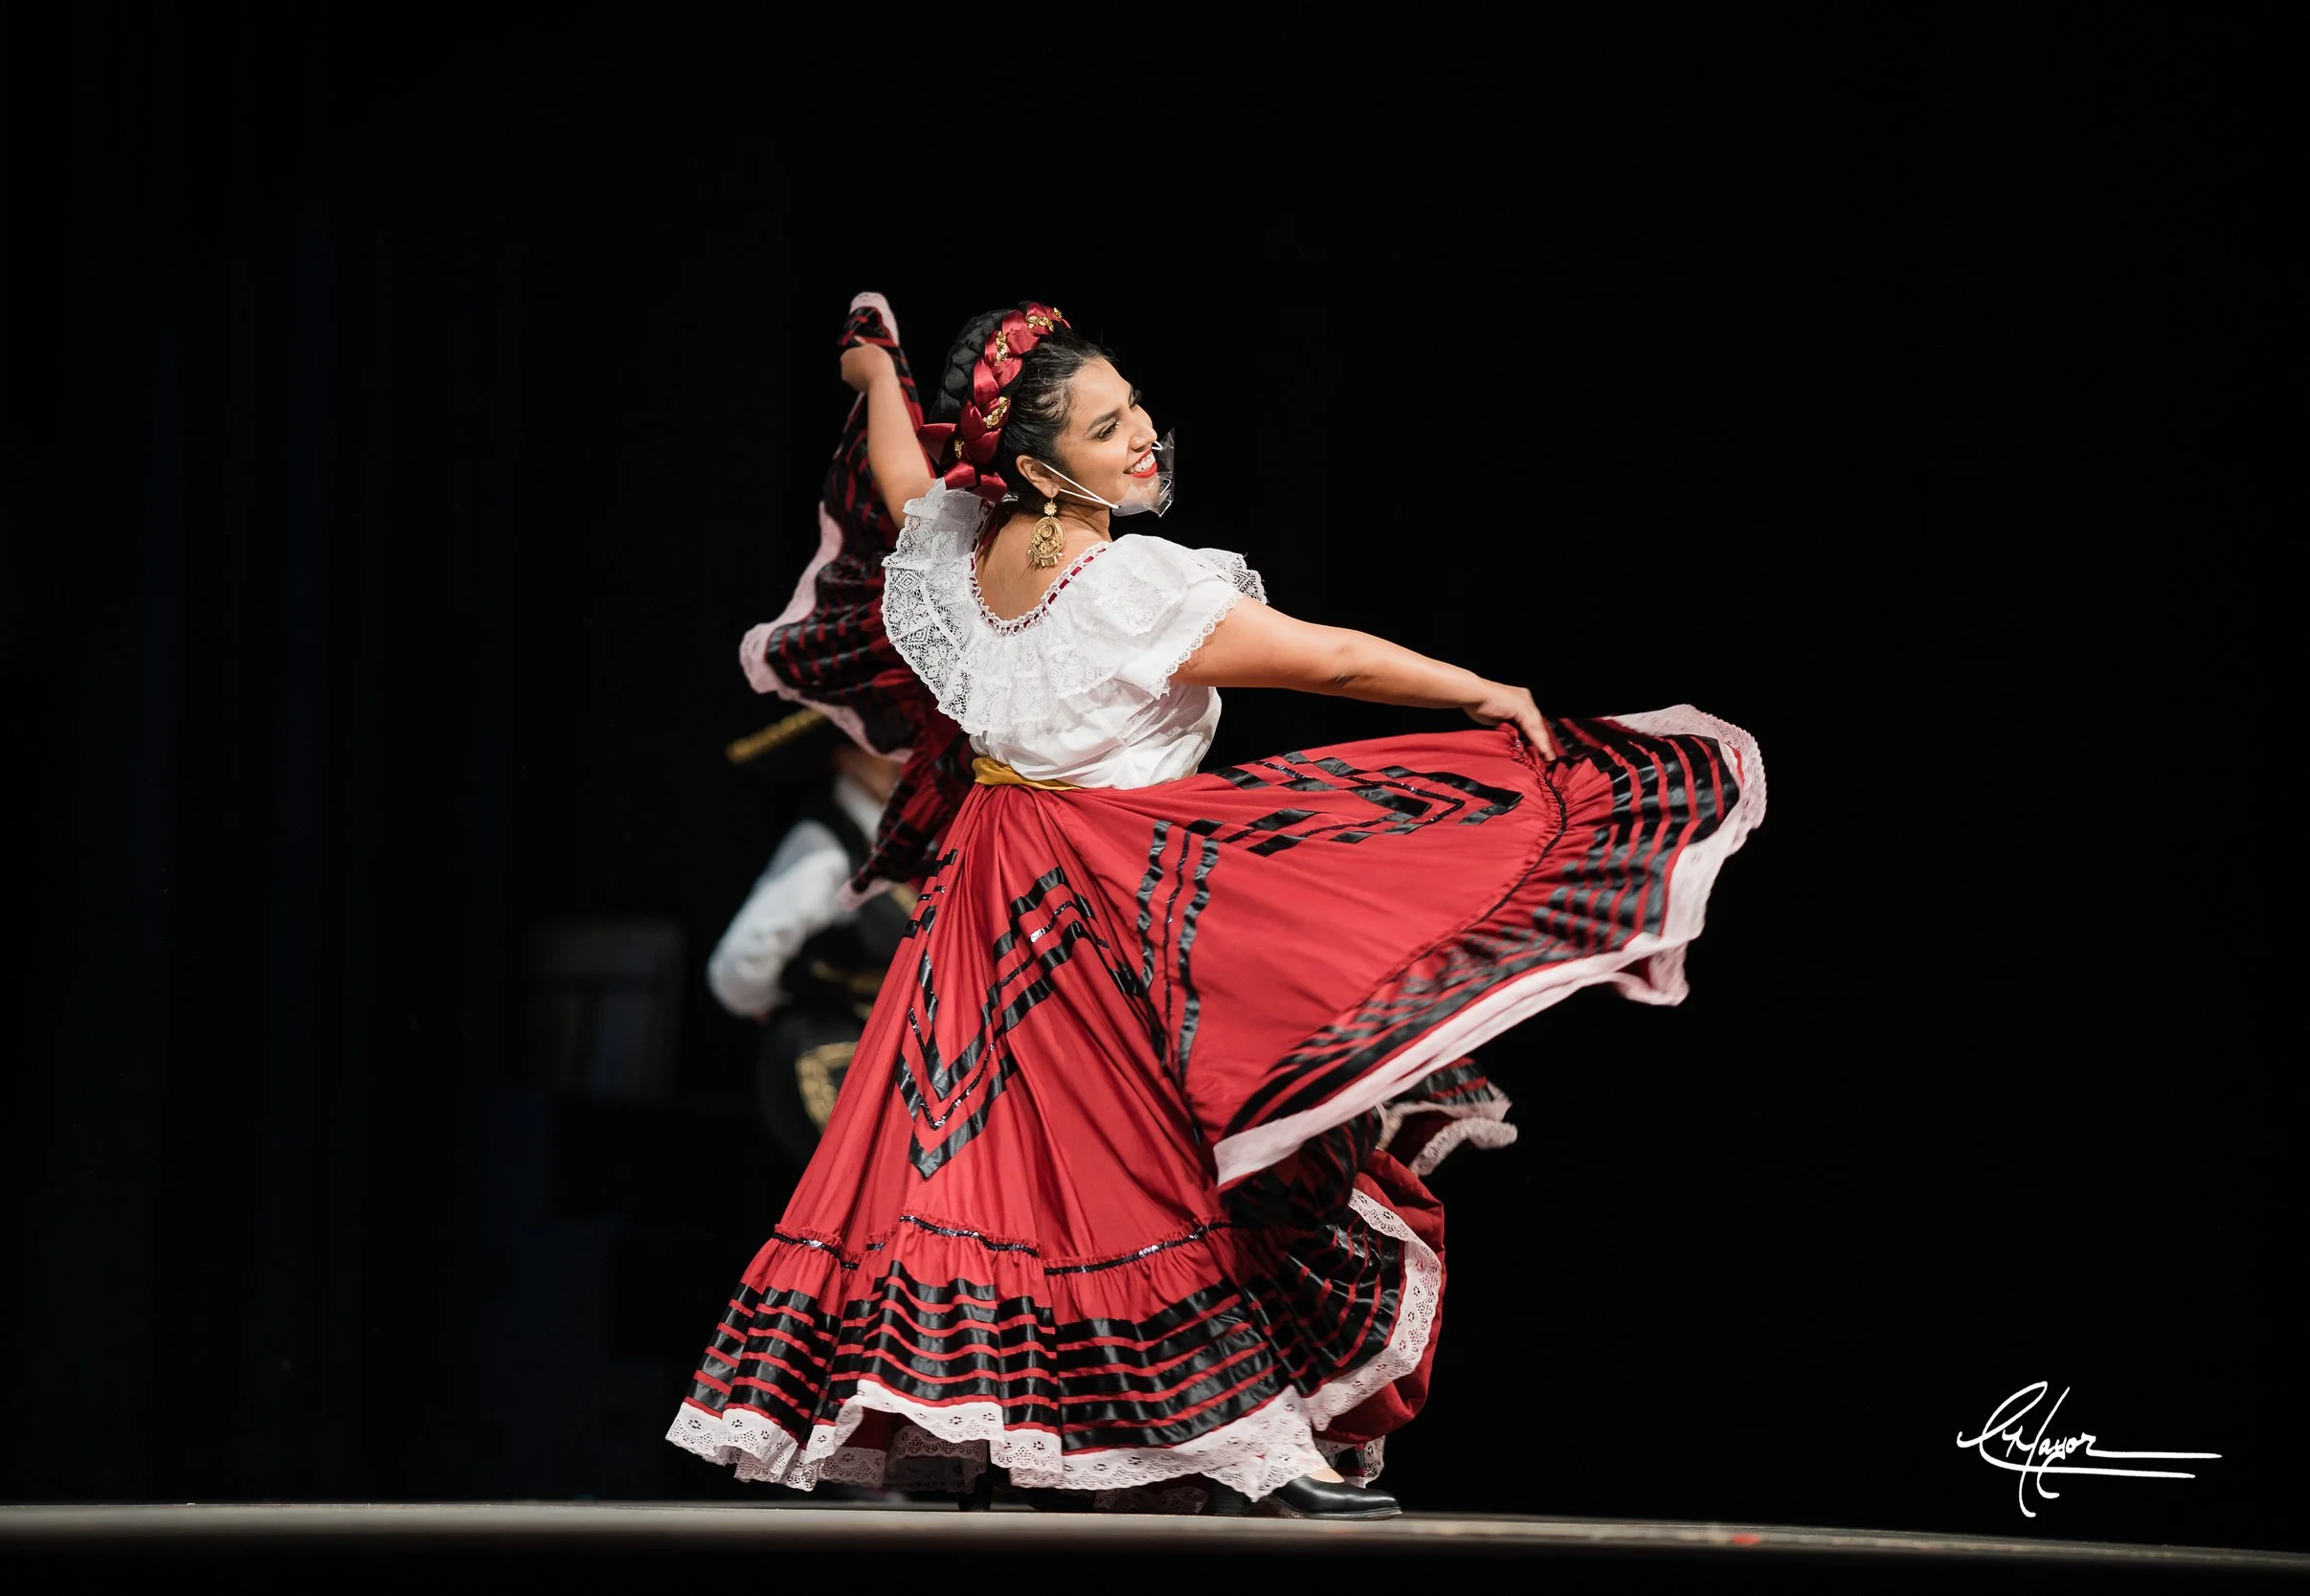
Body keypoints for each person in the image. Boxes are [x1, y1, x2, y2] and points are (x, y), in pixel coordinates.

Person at [666, 300, 1766, 1518]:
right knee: (1141, 1163)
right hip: (1092, 900)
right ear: (1037, 466)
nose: (1141, 436)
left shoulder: (958, 554)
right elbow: (1326, 661)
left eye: (1134, 406)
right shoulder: (1125, 584)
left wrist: (875, 371)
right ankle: (1258, 1452)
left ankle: (1016, 1431)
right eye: (1105, 426)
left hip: (985, 891)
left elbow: (899, 469)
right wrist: (1479, 688)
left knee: (996, 1165)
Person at [708, 707, 912, 1163]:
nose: (901, 757)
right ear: (844, 757)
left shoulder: (909, 838)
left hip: (901, 1062)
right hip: (834, 1055)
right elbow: (738, 966)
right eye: (880, 746)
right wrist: (773, 1000)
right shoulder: (823, 849)